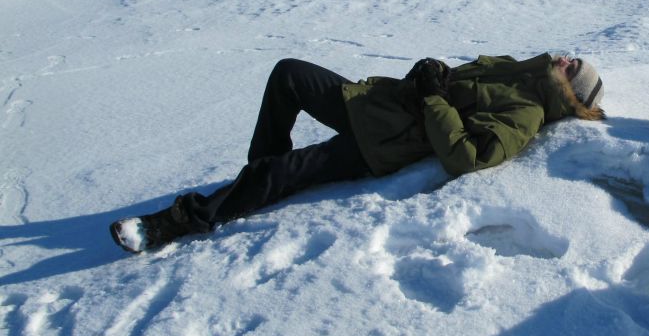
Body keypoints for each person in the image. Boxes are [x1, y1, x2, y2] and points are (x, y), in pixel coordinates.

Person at [110, 53, 606, 253]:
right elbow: (459, 84)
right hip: (378, 104)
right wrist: (432, 72)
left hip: (384, 142)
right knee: (289, 75)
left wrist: (433, 95)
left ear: (568, 90)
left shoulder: (526, 114)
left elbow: (466, 157)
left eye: (573, 65)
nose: (566, 57)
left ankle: (173, 223)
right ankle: (257, 181)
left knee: (287, 171)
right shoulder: (520, 70)